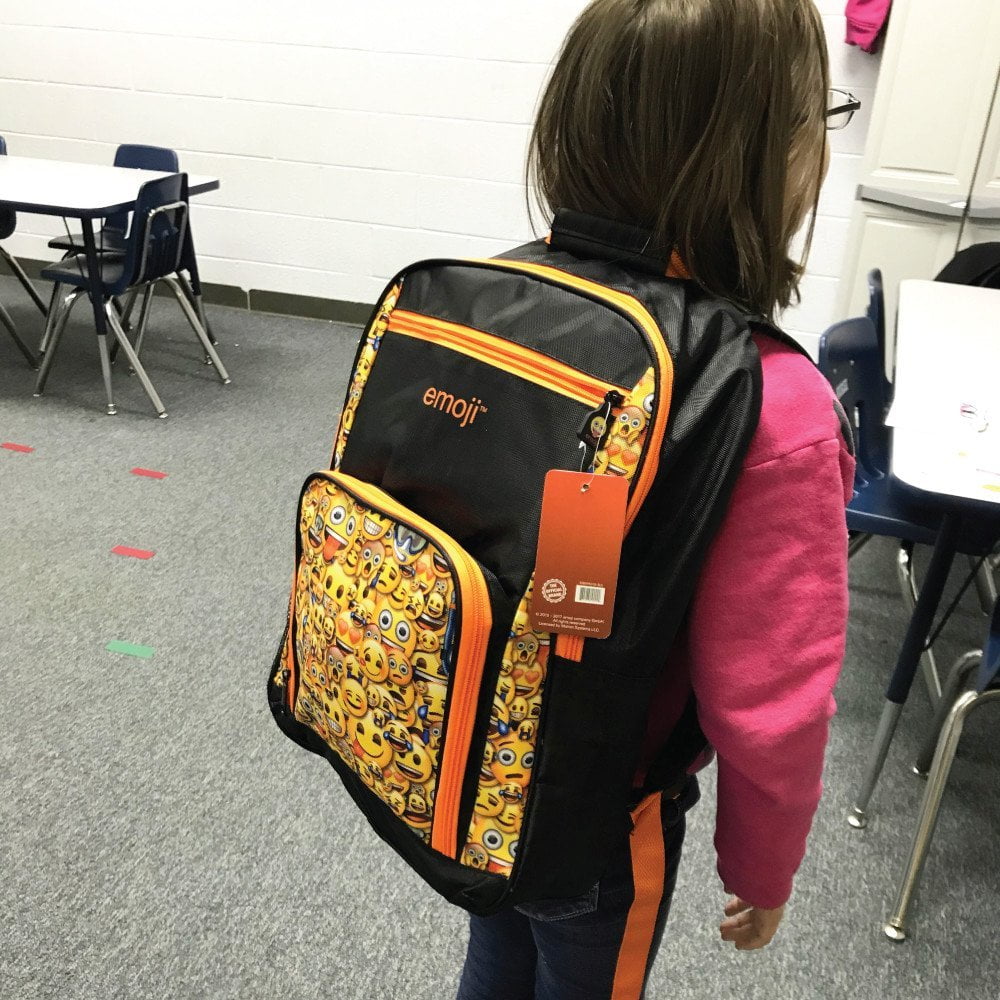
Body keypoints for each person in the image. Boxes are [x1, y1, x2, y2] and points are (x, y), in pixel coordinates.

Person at [456, 1, 855, 997]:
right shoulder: (772, 404)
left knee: (497, 953)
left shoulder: (498, 295)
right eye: (821, 118)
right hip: (598, 811)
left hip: (461, 760)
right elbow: (772, 702)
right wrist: (762, 870)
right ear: (772, 155)